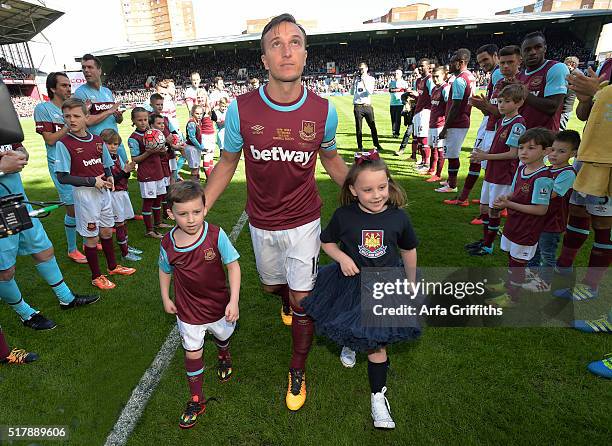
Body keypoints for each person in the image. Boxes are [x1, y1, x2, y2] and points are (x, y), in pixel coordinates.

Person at [204, 14, 348, 411]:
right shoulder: (241, 110)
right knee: (272, 288)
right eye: (276, 44)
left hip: (305, 220)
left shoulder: (323, 111)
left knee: (304, 300)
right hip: (262, 221)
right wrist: (202, 206)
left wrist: (367, 191)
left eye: (295, 42)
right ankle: (283, 298)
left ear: (305, 54)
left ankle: (297, 369)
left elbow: (333, 161)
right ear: (264, 59)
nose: (287, 50)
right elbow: (227, 162)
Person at [302, 150, 420, 429]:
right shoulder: (344, 216)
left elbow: (409, 249)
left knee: (378, 345)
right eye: (368, 189)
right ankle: (349, 342)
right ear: (353, 190)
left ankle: (378, 397)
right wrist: (342, 258)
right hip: (350, 283)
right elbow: (326, 242)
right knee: (350, 320)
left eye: (382, 187)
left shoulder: (398, 218)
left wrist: (412, 282)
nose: (377, 194)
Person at [159, 181, 240, 429]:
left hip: (219, 306)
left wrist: (234, 300)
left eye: (196, 212)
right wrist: (165, 297)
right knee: (192, 351)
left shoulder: (216, 234)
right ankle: (197, 398)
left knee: (223, 336)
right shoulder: (168, 243)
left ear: (205, 208)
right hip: (188, 311)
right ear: (171, 214)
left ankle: (223, 354)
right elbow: (164, 270)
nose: (191, 219)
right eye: (183, 214)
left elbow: (233, 265)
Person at [0, 141, 99, 329]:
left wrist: (21, 154)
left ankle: (66, 298)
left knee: (43, 251)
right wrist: (2, 167)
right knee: (5, 271)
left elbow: (20, 149)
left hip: (18, 205)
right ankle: (26, 314)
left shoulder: (4, 125)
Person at [554, 57, 612, 379]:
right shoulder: (609, 63)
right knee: (580, 221)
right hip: (596, 159)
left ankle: (590, 287)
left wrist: (600, 88)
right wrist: (590, 95)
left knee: (605, 232)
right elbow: (585, 114)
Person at [56, 98, 137, 290]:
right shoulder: (64, 143)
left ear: (86, 117)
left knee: (107, 231)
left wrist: (109, 177)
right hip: (85, 196)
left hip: (103, 192)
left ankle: (112, 266)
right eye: (67, 116)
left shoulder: (98, 140)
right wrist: (93, 181)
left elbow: (106, 163)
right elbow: (62, 177)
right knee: (91, 237)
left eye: (76, 115)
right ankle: (96, 276)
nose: (72, 120)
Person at [486, 128, 554, 308]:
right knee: (512, 257)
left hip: (527, 229)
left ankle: (512, 297)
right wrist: (506, 198)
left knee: (518, 263)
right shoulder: (522, 168)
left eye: (531, 148)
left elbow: (540, 210)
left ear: (546, 151)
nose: (524, 152)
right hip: (514, 223)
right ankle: (509, 285)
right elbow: (514, 192)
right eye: (521, 147)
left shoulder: (543, 178)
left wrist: (509, 205)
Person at [466, 83, 527, 256]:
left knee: (494, 210)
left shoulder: (518, 124)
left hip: (503, 174)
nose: (501, 105)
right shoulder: (502, 120)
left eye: (506, 101)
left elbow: (513, 154)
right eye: (499, 101)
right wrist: (485, 153)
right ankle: (486, 240)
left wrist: (486, 157)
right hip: (492, 172)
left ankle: (488, 245)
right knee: (484, 208)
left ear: (518, 103)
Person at [465, 45, 522, 225]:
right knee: (490, 176)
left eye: (509, 62)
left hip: (500, 140)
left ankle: (494, 213)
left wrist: (486, 106)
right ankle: (491, 211)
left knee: (497, 177)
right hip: (495, 130)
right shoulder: (499, 81)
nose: (504, 66)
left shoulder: (517, 120)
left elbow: (499, 111)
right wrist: (485, 107)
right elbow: (494, 111)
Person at [34, 72, 86, 263]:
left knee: (82, 204)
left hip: (78, 161)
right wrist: (68, 124)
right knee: (71, 208)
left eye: (69, 85)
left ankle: (85, 241)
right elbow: (50, 140)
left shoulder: (71, 108)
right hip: (60, 165)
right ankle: (72, 249)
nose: (68, 88)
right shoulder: (43, 108)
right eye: (63, 85)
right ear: (53, 89)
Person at [519, 130, 579, 291]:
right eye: (552, 149)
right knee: (534, 248)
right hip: (539, 219)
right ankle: (531, 273)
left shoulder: (567, 173)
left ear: (573, 153)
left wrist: (526, 194)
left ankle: (545, 282)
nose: (554, 154)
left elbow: (550, 195)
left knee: (547, 253)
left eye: (561, 151)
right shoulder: (547, 169)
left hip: (553, 221)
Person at [448, 44, 503, 205]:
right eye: (480, 62)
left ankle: (476, 200)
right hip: (490, 121)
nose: (483, 64)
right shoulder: (494, 74)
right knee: (481, 160)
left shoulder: (499, 73)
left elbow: (502, 105)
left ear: (495, 56)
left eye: (485, 59)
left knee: (482, 160)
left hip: (494, 124)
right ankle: (485, 197)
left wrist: (485, 107)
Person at [74, 53, 127, 162]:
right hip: (99, 145)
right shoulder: (80, 92)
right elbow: (86, 121)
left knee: (124, 173)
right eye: (83, 68)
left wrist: (118, 116)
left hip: (116, 143)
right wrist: (109, 111)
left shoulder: (107, 91)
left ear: (99, 70)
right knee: (108, 177)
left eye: (90, 67)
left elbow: (118, 121)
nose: (86, 70)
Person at [436, 49, 475, 193]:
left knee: (452, 154)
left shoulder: (459, 80)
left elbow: (456, 106)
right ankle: (450, 181)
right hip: (464, 119)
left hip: (457, 122)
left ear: (461, 63)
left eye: (453, 61)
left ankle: (452, 185)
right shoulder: (470, 76)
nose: (450, 65)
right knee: (452, 153)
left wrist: (446, 127)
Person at [100, 129, 142, 262]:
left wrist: (128, 170)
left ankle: (126, 247)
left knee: (123, 223)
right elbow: (110, 181)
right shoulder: (102, 161)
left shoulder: (117, 156)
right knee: (119, 224)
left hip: (122, 193)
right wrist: (124, 171)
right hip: (114, 195)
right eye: (109, 143)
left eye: (116, 144)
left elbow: (125, 175)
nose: (113, 146)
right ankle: (124, 254)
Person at [128, 107, 168, 239]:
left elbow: (162, 152)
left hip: (158, 171)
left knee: (158, 199)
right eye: (139, 120)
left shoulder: (154, 133)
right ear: (133, 120)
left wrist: (162, 149)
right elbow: (135, 159)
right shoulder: (133, 138)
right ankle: (149, 230)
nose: (143, 122)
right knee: (148, 201)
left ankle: (158, 223)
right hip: (147, 175)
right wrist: (149, 152)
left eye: (145, 119)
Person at [518, 32, 569, 131]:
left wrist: (524, 93)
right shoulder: (521, 75)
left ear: (545, 48)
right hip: (522, 137)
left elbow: (552, 107)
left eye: (537, 47)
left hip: (544, 139)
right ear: (522, 54)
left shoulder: (556, 68)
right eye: (527, 49)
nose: (532, 52)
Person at [423, 66, 450, 182]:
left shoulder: (446, 88)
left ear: (444, 76)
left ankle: (438, 174)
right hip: (432, 123)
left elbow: (449, 107)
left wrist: (446, 125)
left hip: (440, 124)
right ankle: (432, 170)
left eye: (437, 76)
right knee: (433, 147)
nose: (435, 79)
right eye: (433, 76)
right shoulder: (434, 89)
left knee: (440, 149)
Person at [351, 62, 383, 151]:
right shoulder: (357, 79)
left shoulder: (371, 79)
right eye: (359, 69)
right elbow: (351, 93)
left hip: (367, 106)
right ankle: (360, 146)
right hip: (358, 106)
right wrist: (354, 82)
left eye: (362, 69)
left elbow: (370, 92)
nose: (360, 71)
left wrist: (364, 81)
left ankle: (377, 144)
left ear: (366, 69)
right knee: (359, 128)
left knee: (372, 126)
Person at [408, 58, 433, 168]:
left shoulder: (429, 79)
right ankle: (423, 161)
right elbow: (420, 95)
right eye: (419, 66)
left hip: (425, 111)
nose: (420, 68)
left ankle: (427, 164)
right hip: (418, 111)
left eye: (423, 66)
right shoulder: (419, 80)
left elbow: (433, 95)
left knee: (423, 138)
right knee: (418, 138)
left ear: (428, 66)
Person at [185, 104, 205, 181]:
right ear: (192, 113)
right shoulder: (192, 123)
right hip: (192, 147)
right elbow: (192, 137)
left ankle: (196, 185)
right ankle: (194, 186)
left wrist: (201, 145)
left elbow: (198, 136)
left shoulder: (198, 122)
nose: (199, 115)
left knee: (197, 167)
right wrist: (200, 146)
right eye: (197, 113)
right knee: (194, 169)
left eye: (201, 114)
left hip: (195, 147)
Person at [560, 56, 580, 130]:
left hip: (565, 108)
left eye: (565, 64)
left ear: (572, 64)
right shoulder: (572, 73)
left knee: (559, 130)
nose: (563, 65)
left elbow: (567, 92)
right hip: (564, 107)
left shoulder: (575, 75)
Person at [388, 69, 408, 138]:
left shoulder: (404, 83)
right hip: (392, 103)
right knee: (393, 118)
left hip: (400, 103)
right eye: (395, 73)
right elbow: (390, 90)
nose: (395, 74)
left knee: (398, 119)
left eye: (397, 73)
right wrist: (399, 89)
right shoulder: (391, 83)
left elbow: (406, 92)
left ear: (401, 75)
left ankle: (397, 133)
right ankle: (393, 132)